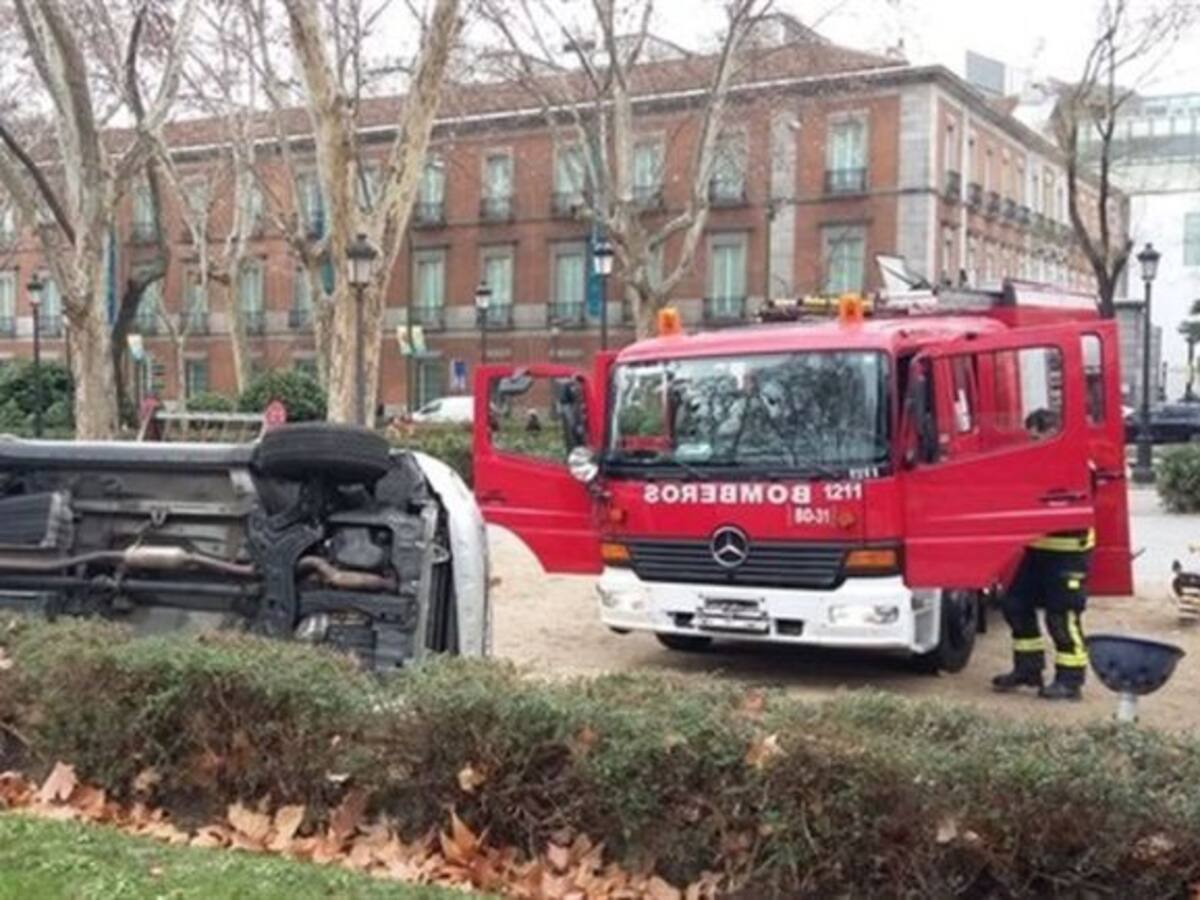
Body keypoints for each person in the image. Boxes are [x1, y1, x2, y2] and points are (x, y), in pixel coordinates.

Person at [992, 528, 1093, 700]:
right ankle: (1028, 670)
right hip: (1035, 546)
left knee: (1061, 618)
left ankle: (1070, 681)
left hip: (1070, 551)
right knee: (1016, 606)